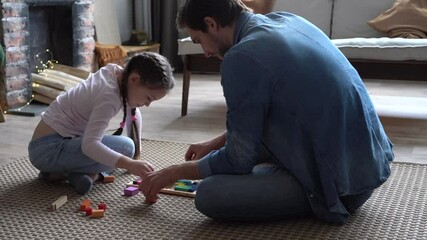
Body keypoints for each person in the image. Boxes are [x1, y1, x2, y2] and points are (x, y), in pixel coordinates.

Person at [139, 0, 395, 224]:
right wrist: (215, 143)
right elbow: (279, 112)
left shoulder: (241, 57)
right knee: (232, 158)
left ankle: (315, 197)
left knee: (210, 194)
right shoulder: (288, 20)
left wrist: (173, 172)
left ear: (211, 23)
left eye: (199, 40)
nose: (205, 51)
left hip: (342, 188)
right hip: (371, 166)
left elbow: (238, 160)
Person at [28, 52, 175, 195]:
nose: (148, 104)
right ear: (134, 80)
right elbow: (90, 145)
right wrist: (130, 163)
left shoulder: (119, 75)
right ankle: (85, 174)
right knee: (125, 148)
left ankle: (65, 174)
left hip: (54, 145)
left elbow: (133, 112)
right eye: (149, 98)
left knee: (124, 151)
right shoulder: (108, 95)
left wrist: (137, 156)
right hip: (48, 150)